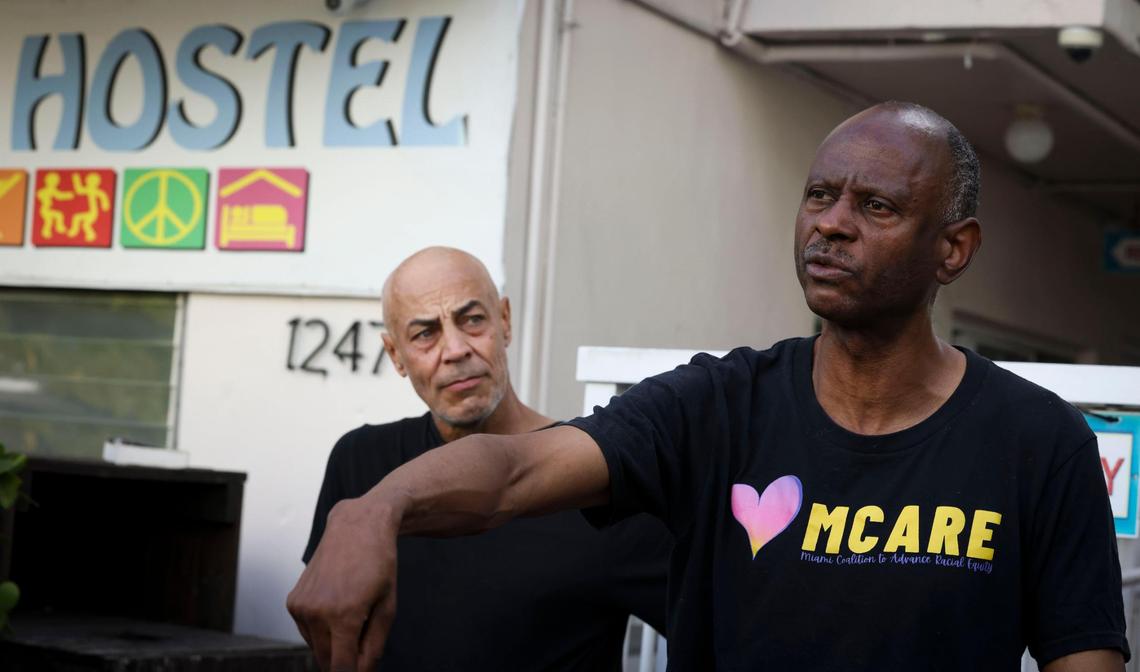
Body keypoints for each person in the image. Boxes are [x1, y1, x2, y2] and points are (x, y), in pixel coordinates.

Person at [289, 103, 1130, 671]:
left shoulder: (1039, 440)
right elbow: (516, 470)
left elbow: (1082, 656)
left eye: (875, 206)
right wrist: (375, 509)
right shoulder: (714, 407)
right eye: (818, 195)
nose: (831, 222)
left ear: (953, 249)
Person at [300, 246, 671, 671]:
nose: (456, 349)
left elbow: (716, 629)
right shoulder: (361, 461)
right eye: (425, 333)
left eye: (472, 320)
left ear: (505, 321)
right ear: (395, 355)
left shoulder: (596, 477)